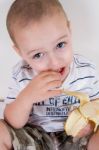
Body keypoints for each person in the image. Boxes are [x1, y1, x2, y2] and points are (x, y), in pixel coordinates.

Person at [0, 0, 99, 149]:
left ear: (69, 30)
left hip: (77, 138)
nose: (54, 62)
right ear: (20, 52)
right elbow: (12, 121)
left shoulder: (86, 71)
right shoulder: (22, 75)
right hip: (34, 137)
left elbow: (97, 106)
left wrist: (91, 125)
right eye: (38, 55)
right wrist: (28, 96)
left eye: (60, 45)